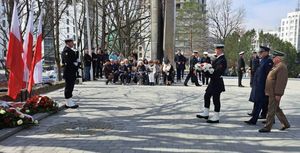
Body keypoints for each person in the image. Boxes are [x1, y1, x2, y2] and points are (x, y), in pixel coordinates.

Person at [259, 51, 290, 132]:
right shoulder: (276, 66)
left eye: (274, 57)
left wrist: (278, 94)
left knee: (271, 109)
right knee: (276, 109)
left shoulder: (282, 67)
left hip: (275, 92)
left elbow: (281, 82)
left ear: (278, 58)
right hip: (271, 91)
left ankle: (267, 127)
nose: (272, 58)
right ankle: (286, 124)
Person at [196, 44, 227, 123]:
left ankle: (216, 116)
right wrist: (203, 69)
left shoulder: (222, 60)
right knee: (207, 95)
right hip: (213, 81)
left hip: (217, 82)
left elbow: (218, 72)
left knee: (216, 99)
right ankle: (206, 113)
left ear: (220, 50)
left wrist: (209, 70)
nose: (215, 51)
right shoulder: (217, 59)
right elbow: (211, 69)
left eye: (216, 49)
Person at [245, 46, 273, 125]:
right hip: (259, 86)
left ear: (266, 52)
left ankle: (254, 120)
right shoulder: (262, 60)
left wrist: (267, 88)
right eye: (259, 52)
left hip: (263, 86)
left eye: (261, 52)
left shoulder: (268, 61)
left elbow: (269, 76)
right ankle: (268, 118)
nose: (260, 53)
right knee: (262, 103)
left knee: (259, 103)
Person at [61, 38, 79, 109]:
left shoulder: (70, 50)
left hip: (71, 72)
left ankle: (69, 101)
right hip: (69, 72)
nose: (73, 44)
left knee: (71, 87)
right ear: (68, 43)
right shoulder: (66, 51)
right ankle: (68, 102)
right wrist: (75, 64)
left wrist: (77, 62)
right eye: (72, 42)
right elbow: (67, 62)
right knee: (69, 87)